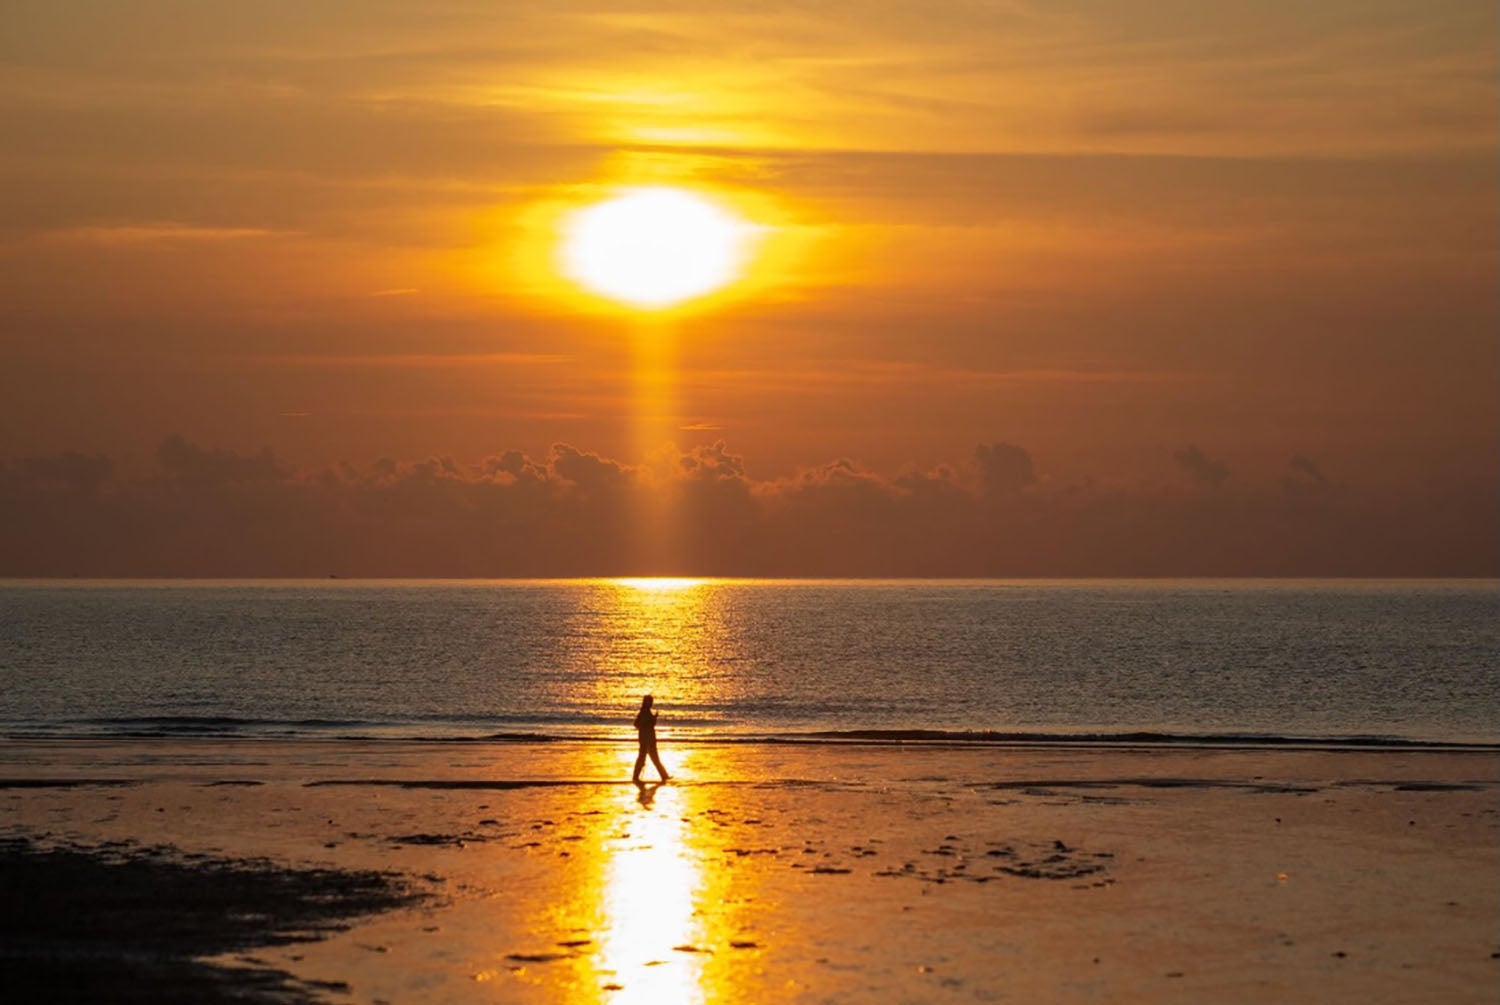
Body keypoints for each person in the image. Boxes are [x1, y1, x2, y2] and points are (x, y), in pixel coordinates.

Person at [632, 694, 669, 783]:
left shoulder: (645, 711)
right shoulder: (644, 712)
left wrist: (653, 719)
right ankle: (636, 776)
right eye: (650, 701)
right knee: (648, 758)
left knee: (647, 758)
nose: (651, 703)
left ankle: (664, 775)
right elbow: (644, 724)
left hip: (645, 738)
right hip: (647, 739)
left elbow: (638, 724)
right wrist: (653, 719)